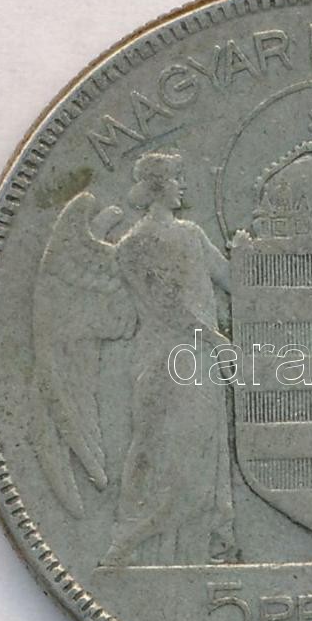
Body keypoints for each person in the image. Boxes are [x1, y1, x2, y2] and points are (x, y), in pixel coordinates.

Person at [101, 151, 236, 566]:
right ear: (159, 186)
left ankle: (197, 550)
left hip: (200, 361)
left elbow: (233, 279)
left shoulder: (192, 234)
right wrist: (214, 337)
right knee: (159, 448)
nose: (184, 186)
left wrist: (265, 252)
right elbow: (164, 305)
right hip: (164, 361)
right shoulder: (131, 246)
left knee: (200, 450)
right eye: (178, 178)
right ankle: (131, 539)